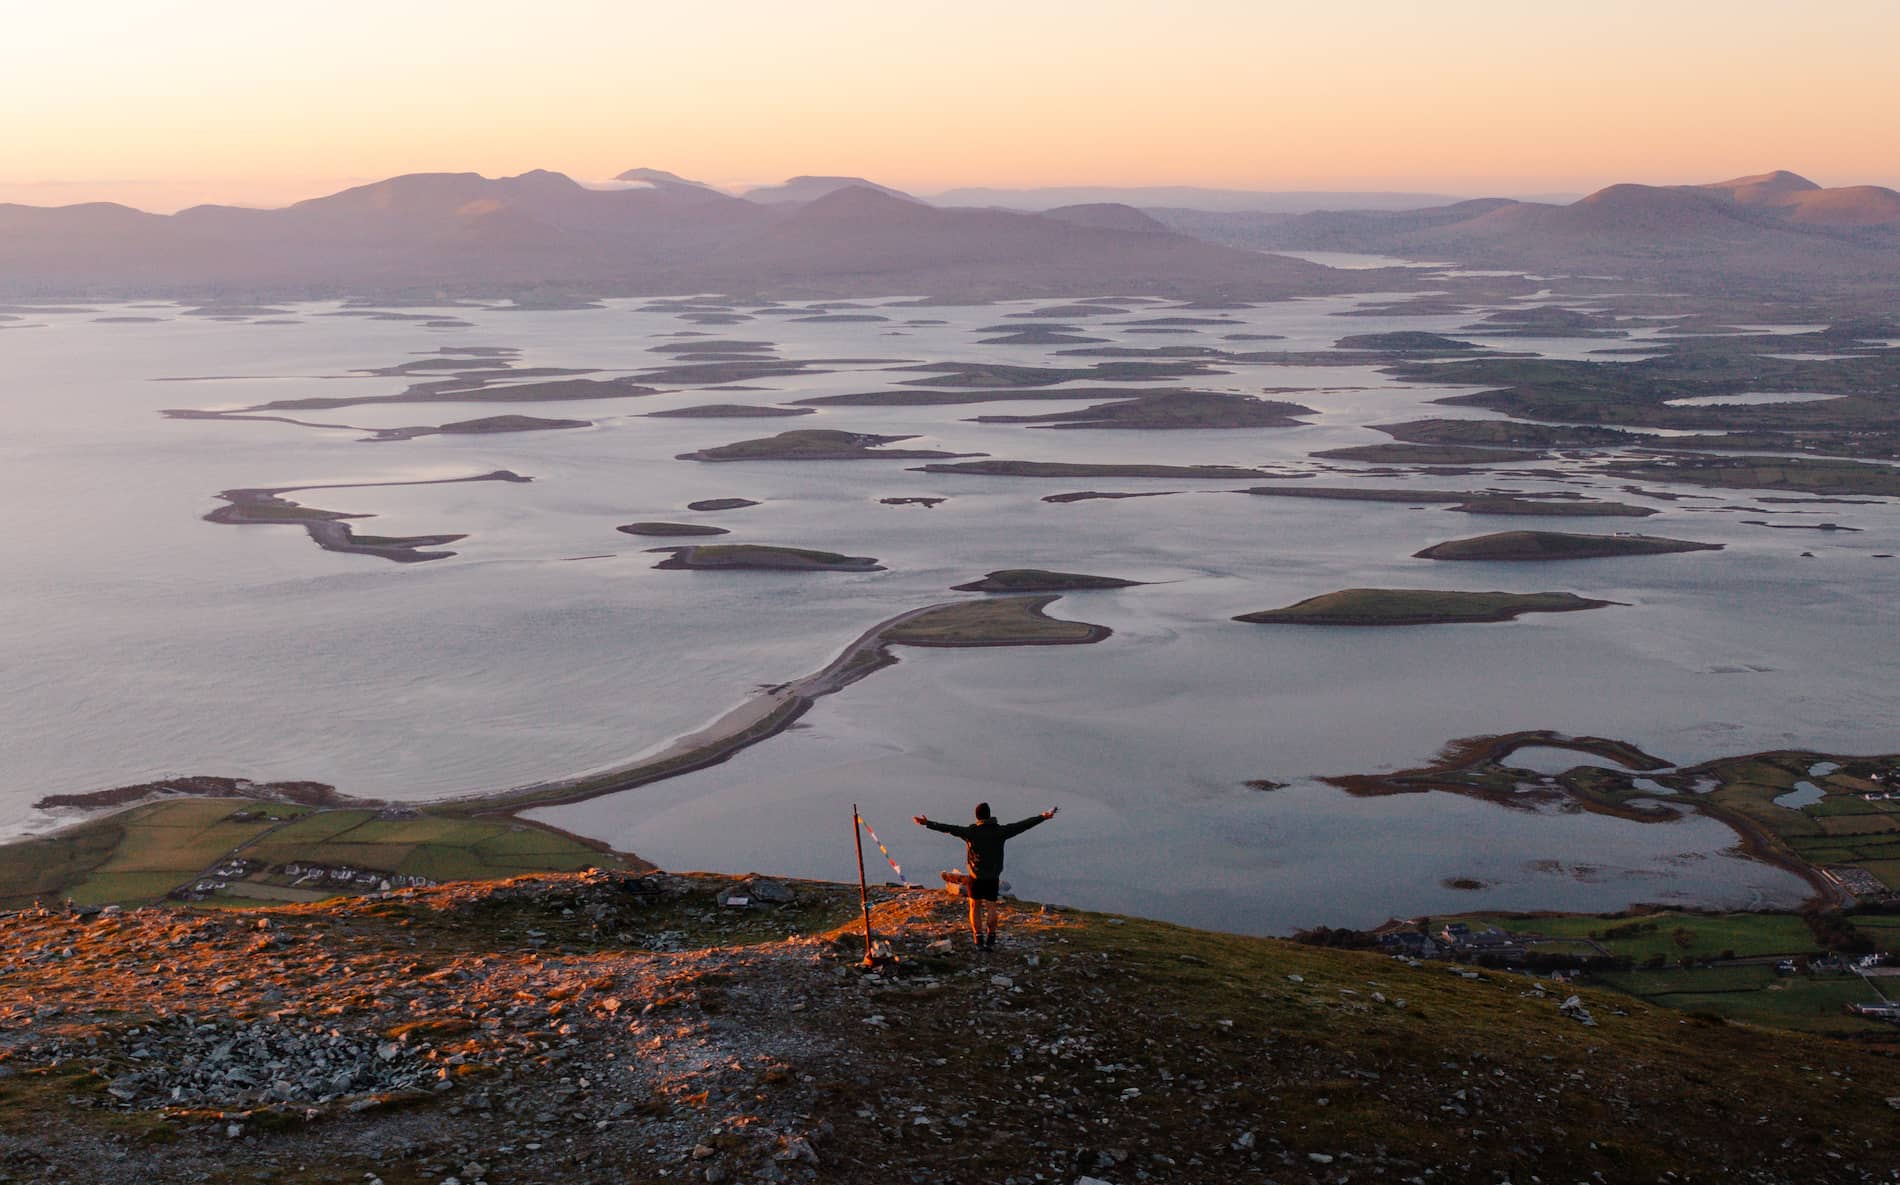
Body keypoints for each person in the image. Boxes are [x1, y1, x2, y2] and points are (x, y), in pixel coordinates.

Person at [913, 802, 1056, 949]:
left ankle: (978, 938)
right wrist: (1042, 817)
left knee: (974, 906)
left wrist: (927, 823)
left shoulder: (971, 832)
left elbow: (949, 829)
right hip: (992, 877)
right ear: (989, 815)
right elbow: (1023, 825)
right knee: (991, 907)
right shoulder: (1000, 831)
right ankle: (991, 937)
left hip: (975, 877)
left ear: (977, 816)